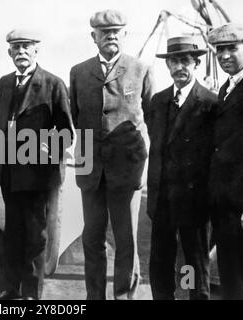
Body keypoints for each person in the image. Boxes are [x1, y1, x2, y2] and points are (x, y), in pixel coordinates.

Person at [69, 9, 155, 300]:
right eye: (105, 33)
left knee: (126, 241)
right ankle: (94, 296)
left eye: (117, 31)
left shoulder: (140, 68)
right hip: (90, 170)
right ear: (94, 37)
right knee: (92, 238)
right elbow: (74, 116)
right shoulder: (79, 72)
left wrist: (142, 166)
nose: (111, 36)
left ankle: (123, 296)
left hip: (126, 171)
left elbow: (152, 120)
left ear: (125, 35)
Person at [0, 29, 73, 300]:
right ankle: (11, 291)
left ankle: (32, 296)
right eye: (16, 47)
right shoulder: (4, 83)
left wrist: (47, 149)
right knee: (12, 234)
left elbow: (67, 133)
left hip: (38, 176)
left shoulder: (53, 84)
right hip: (10, 173)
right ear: (9, 52)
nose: (21, 51)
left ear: (37, 50)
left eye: (27, 46)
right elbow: (2, 126)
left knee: (36, 237)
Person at [147, 36, 217, 300]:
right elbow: (156, 145)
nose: (179, 67)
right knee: (160, 263)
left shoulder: (209, 103)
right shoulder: (158, 101)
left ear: (196, 63)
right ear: (168, 66)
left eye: (185, 61)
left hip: (193, 201)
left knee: (192, 264)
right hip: (162, 198)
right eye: (174, 61)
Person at [207, 23, 243, 299]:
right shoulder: (227, 89)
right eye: (220, 50)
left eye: (232, 48)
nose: (224, 55)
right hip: (225, 206)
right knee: (230, 282)